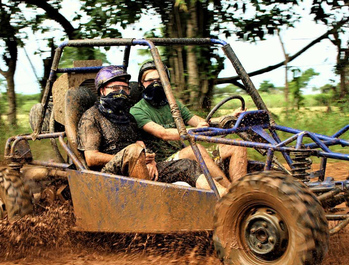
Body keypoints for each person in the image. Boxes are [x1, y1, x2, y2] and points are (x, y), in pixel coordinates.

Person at [77, 66, 226, 193]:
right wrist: (134, 158)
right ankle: (151, 209)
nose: (121, 92)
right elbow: (91, 158)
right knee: (134, 151)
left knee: (188, 165)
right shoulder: (91, 117)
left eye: (125, 89)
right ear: (102, 90)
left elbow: (140, 142)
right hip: (110, 175)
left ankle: (225, 198)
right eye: (116, 88)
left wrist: (149, 160)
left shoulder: (127, 116)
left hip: (139, 167)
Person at [130, 60, 248, 188]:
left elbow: (201, 122)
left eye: (160, 80)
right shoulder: (137, 110)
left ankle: (242, 189)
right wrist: (193, 130)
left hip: (181, 153)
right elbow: (163, 133)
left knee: (237, 145)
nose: (155, 84)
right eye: (150, 81)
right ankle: (233, 194)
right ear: (142, 83)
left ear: (166, 82)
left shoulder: (173, 104)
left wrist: (229, 117)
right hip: (162, 162)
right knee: (195, 149)